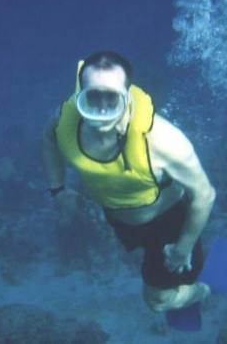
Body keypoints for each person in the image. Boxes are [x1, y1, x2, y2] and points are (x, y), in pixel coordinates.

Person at [42, 51, 216, 313]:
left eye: (111, 99)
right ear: (79, 98)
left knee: (158, 302)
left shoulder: (163, 141)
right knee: (142, 255)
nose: (101, 110)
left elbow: (205, 195)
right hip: (119, 218)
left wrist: (184, 247)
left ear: (128, 98)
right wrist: (57, 188)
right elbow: (47, 141)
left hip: (169, 220)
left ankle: (200, 291)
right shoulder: (62, 120)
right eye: (92, 98)